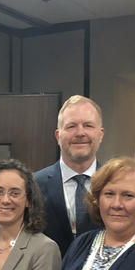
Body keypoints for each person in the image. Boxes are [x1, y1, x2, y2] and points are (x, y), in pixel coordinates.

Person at [34, 95, 104, 257]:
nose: (80, 133)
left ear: (100, 135)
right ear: (58, 136)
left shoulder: (116, 184)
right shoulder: (33, 185)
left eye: (88, 125)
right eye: (71, 126)